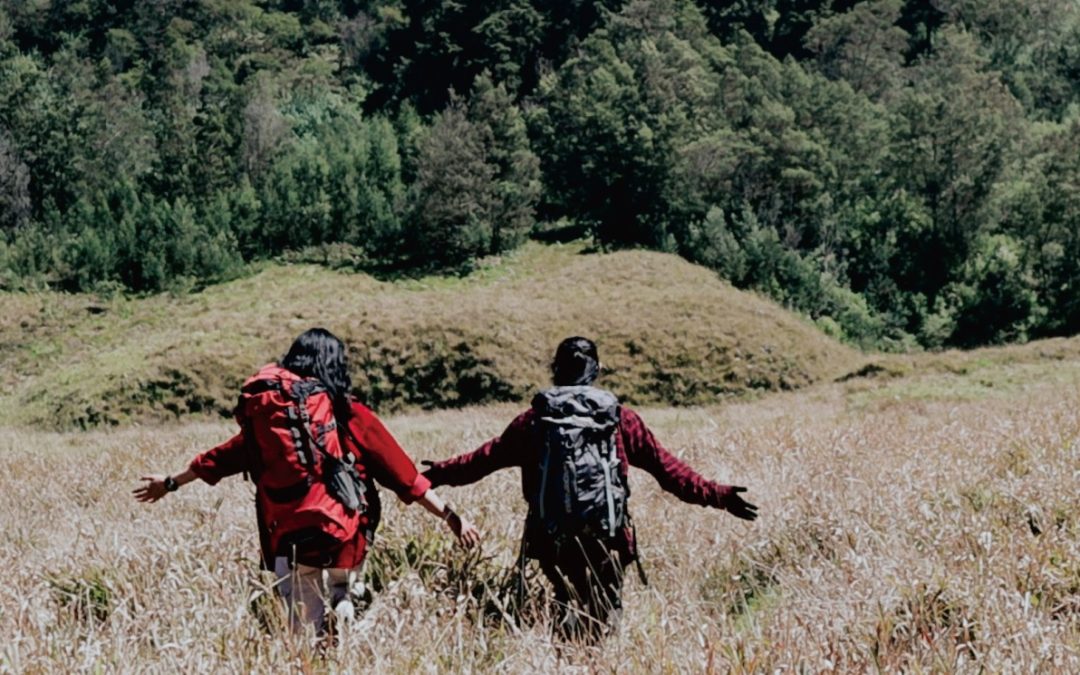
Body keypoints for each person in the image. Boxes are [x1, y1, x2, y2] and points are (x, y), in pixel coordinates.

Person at [134, 328, 481, 633]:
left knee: (303, 627)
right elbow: (404, 477)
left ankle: (310, 655)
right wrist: (450, 516)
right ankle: (345, 634)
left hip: (288, 537)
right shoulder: (347, 412)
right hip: (345, 533)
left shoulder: (270, 422)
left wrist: (169, 483)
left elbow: (218, 458)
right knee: (346, 594)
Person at [422, 336, 758, 640]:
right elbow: (669, 472)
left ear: (555, 370)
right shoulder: (620, 420)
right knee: (603, 619)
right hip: (607, 538)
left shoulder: (534, 421)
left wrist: (433, 475)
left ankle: (565, 658)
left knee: (565, 605)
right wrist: (719, 495)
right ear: (597, 370)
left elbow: (482, 460)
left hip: (551, 538)